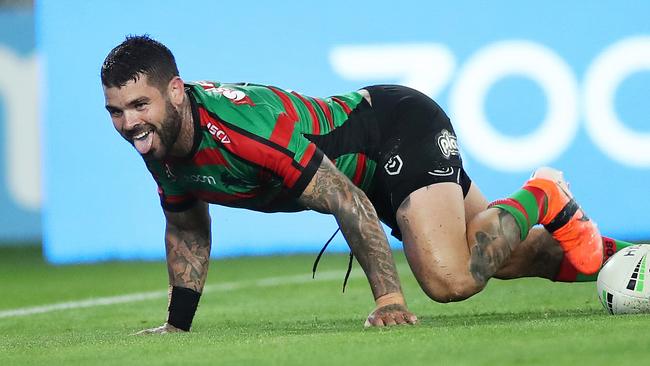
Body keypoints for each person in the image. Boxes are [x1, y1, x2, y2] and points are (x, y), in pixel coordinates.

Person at [101, 35, 628, 333]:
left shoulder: (242, 130)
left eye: (138, 105)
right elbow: (187, 228)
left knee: (449, 279)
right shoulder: (160, 141)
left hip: (395, 131)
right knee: (505, 255)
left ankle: (545, 193)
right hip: (372, 165)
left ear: (174, 91)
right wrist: (178, 325)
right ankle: (627, 266)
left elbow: (346, 199)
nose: (128, 123)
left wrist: (390, 298)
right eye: (116, 111)